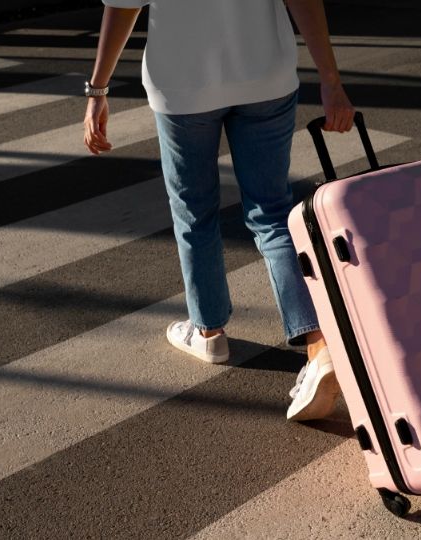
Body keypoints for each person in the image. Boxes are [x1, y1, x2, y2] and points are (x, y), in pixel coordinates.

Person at [83, 0, 354, 421]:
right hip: (267, 78)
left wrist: (98, 91)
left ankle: (208, 331)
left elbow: (123, 6)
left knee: (194, 211)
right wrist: (331, 80)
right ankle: (319, 349)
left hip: (182, 87)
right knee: (271, 210)